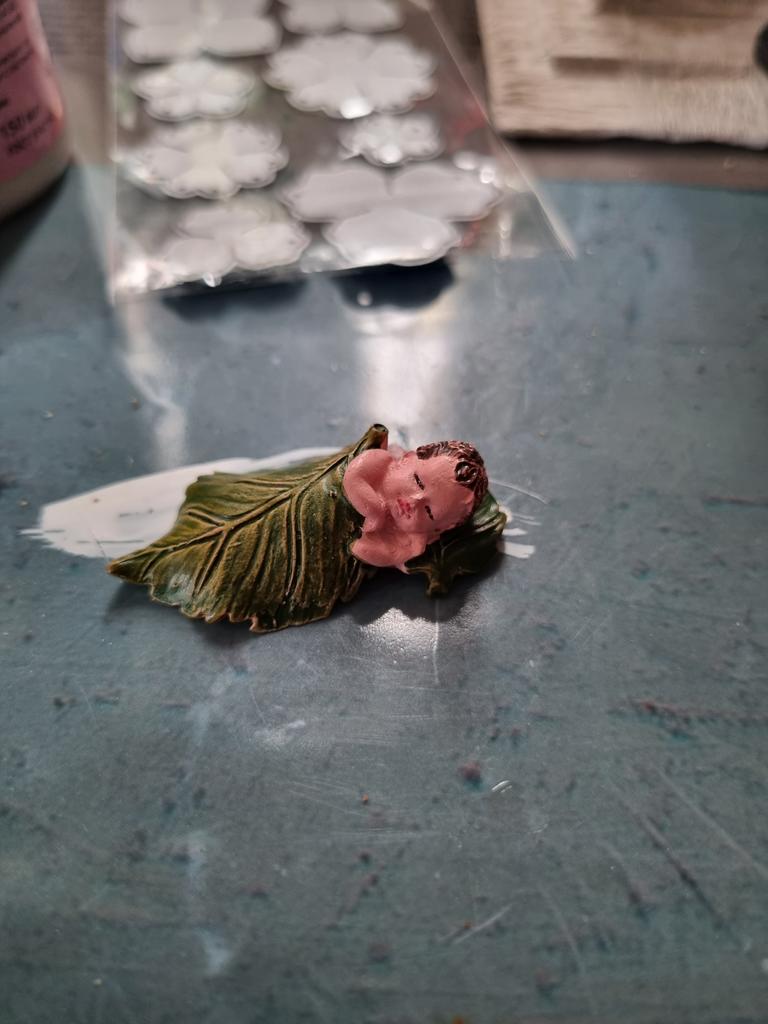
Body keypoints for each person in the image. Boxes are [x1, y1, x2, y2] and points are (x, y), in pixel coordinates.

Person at [343, 439, 488, 570]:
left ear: (437, 529)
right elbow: (353, 477)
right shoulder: (380, 461)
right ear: (407, 458)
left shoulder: (412, 544)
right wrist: (375, 511)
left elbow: (363, 550)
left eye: (428, 511)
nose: (414, 501)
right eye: (418, 481)